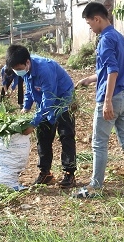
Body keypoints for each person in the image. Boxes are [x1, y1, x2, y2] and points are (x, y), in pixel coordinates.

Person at [75, 1, 124, 198]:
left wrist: (106, 101)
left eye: (90, 24)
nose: (91, 28)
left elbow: (113, 71)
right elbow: (108, 70)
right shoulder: (119, 37)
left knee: (99, 143)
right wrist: (89, 79)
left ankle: (95, 186)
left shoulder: (105, 39)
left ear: (97, 19)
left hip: (111, 98)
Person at [6, 44, 77, 188]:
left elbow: (49, 99)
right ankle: (46, 173)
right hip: (45, 103)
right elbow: (30, 91)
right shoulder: (25, 70)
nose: (19, 72)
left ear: (27, 62)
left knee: (66, 136)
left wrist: (33, 123)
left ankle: (69, 174)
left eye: (19, 69)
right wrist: (25, 108)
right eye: (16, 70)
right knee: (43, 137)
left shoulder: (45, 69)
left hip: (63, 100)